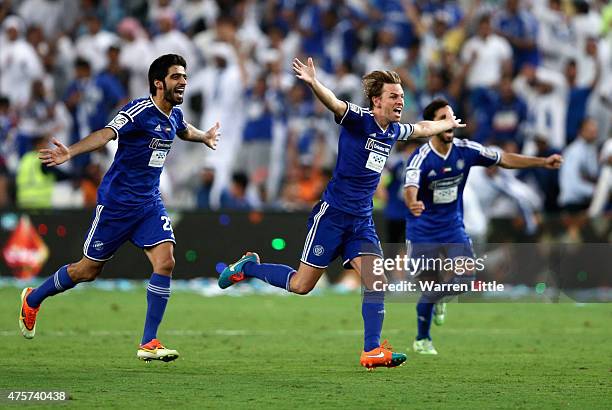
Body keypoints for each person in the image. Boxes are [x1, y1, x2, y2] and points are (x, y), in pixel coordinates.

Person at [219, 57, 466, 369]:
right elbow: (335, 103)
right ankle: (248, 268)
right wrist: (313, 82)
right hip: (333, 215)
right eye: (394, 96)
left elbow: (422, 128)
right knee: (301, 286)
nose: (400, 101)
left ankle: (372, 350)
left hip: (361, 220)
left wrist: (447, 124)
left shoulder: (393, 130)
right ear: (377, 101)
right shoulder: (360, 119)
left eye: (402, 96)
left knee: (377, 281)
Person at [18, 54, 221, 362]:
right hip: (116, 205)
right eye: (177, 77)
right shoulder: (139, 110)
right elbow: (106, 134)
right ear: (158, 82)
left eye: (185, 77)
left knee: (166, 262)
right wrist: (70, 152)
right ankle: (33, 298)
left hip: (149, 204)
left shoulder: (174, 115)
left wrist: (204, 136)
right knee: (87, 271)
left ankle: (149, 341)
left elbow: (183, 129)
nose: (183, 82)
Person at [403, 98, 563, 355]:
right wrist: (412, 202)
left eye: (452, 117)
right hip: (422, 229)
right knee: (426, 288)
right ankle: (423, 337)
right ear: (431, 125)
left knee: (465, 278)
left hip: (452, 227)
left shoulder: (466, 150)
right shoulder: (421, 157)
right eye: (443, 118)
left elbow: (505, 159)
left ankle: (436, 307)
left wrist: (542, 162)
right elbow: (409, 187)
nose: (451, 122)